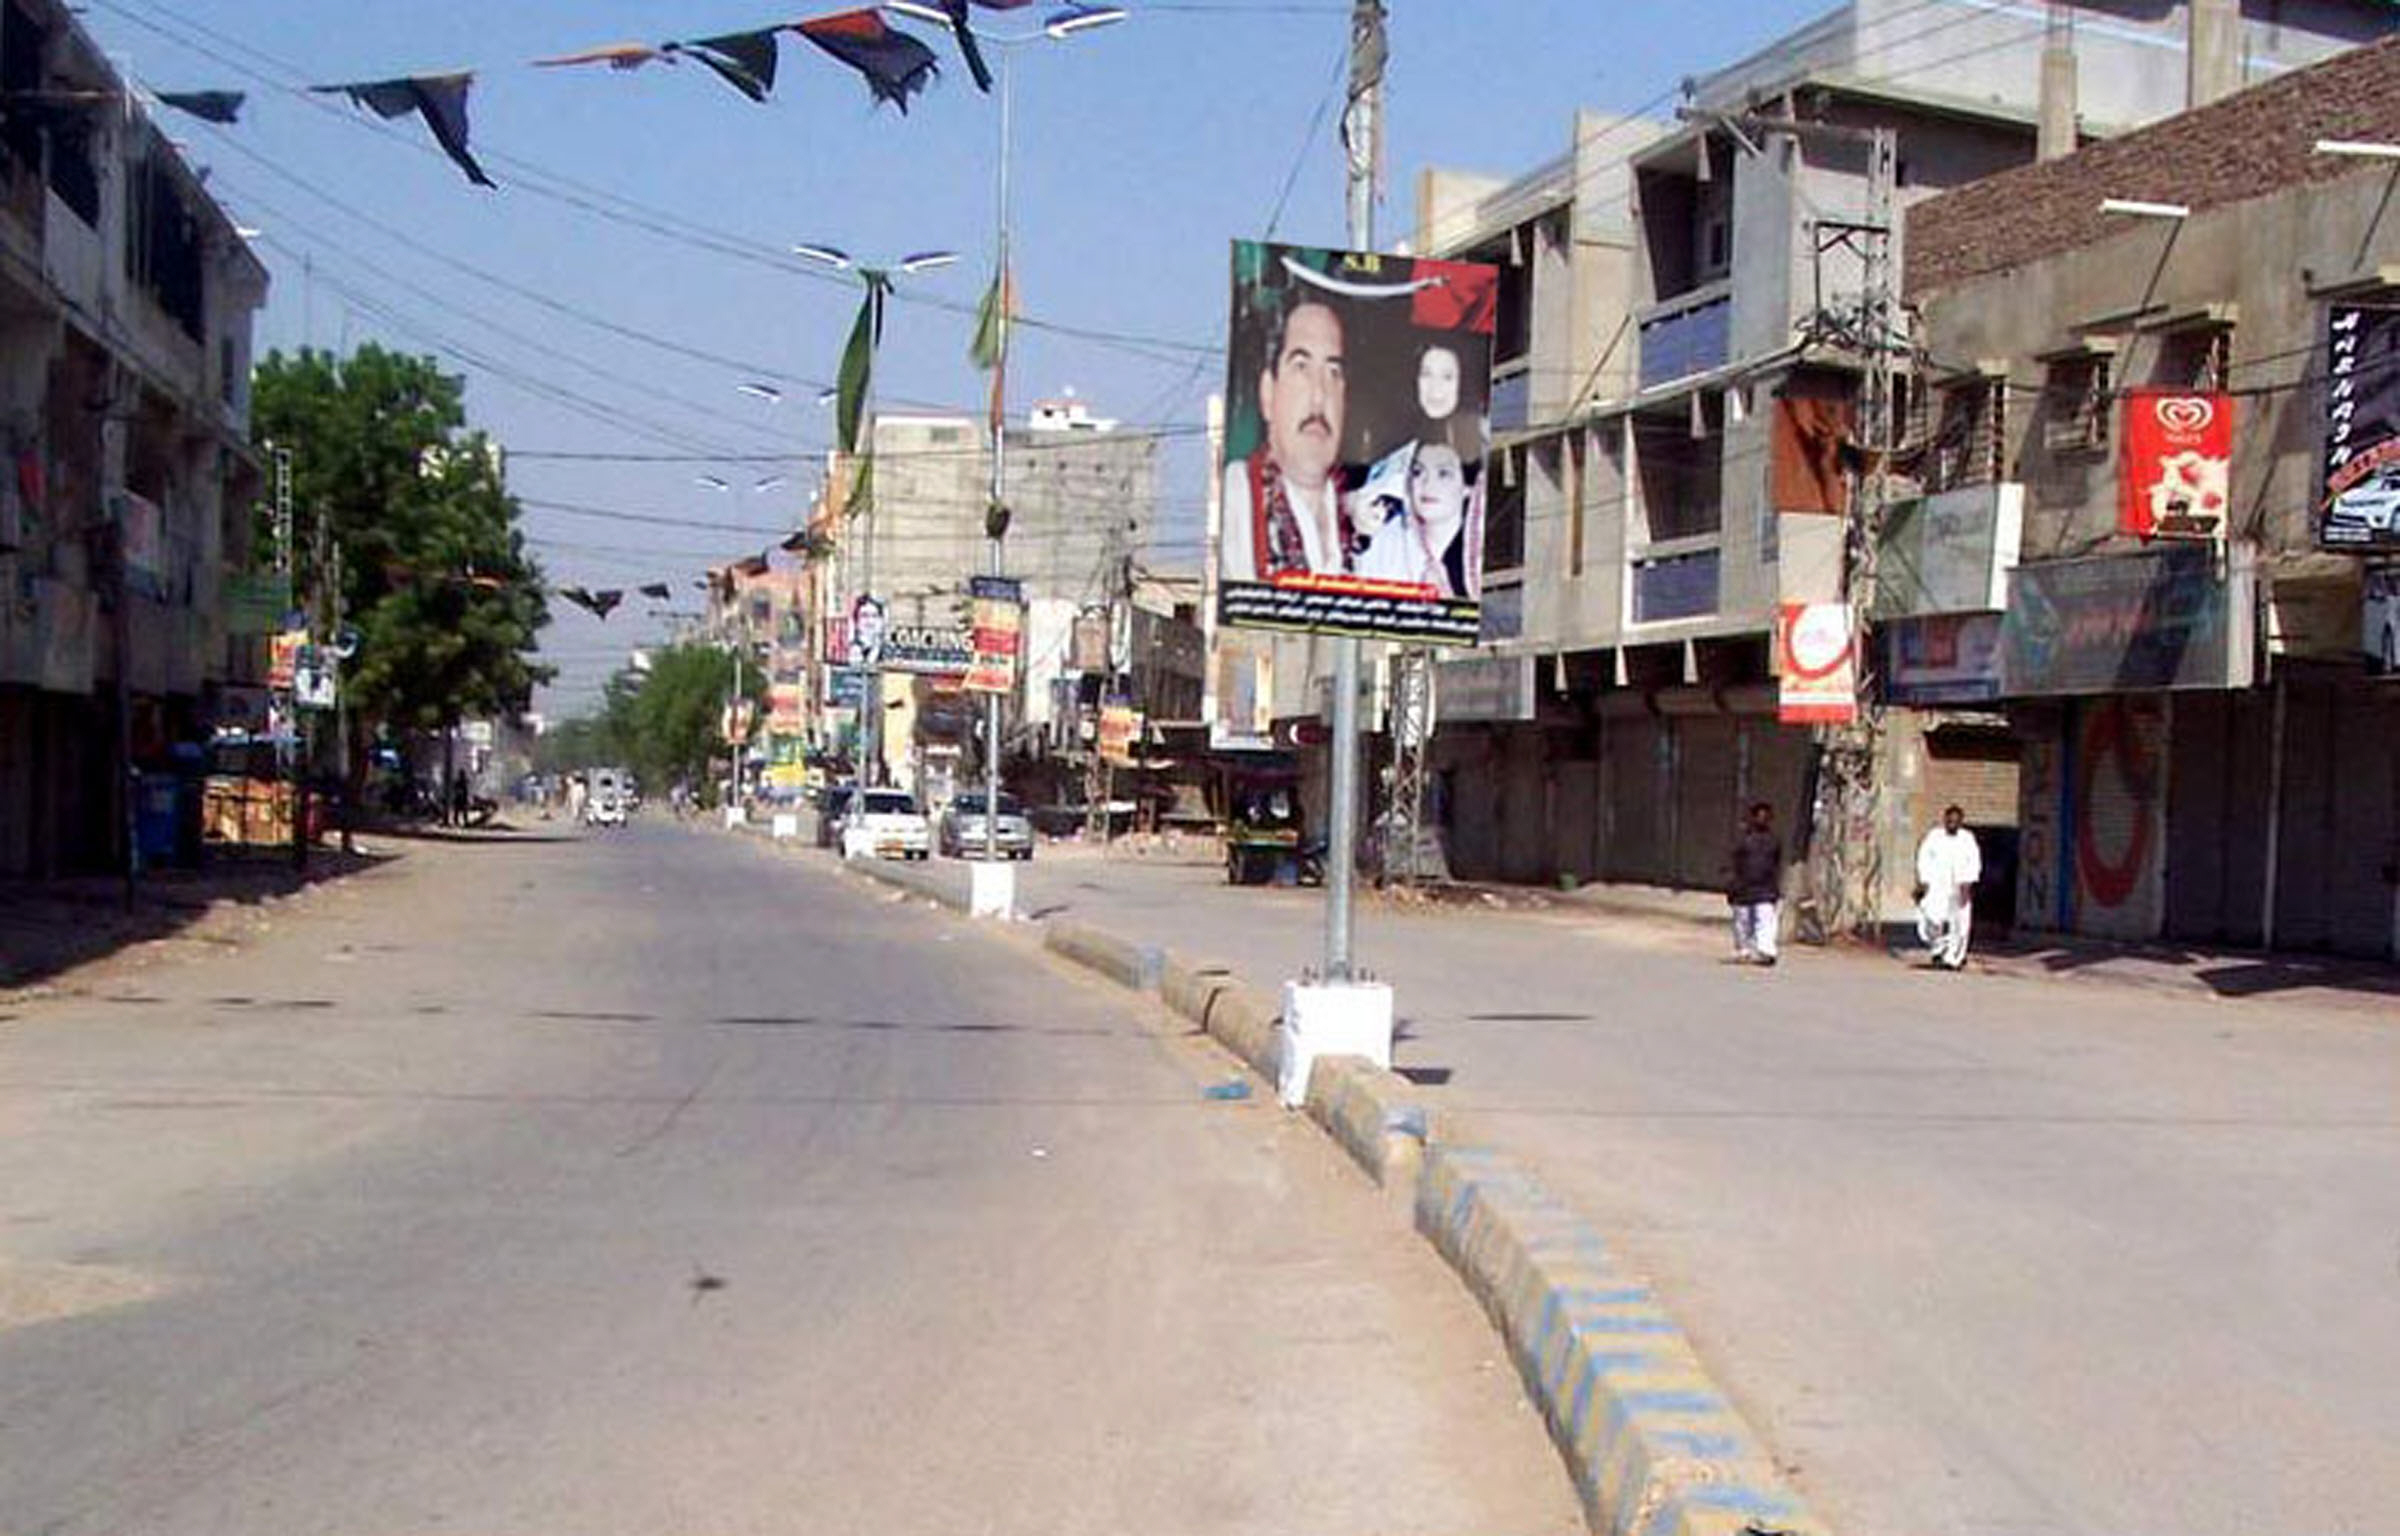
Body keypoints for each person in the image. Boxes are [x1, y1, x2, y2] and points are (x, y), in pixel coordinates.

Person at [1221, 297, 1354, 580]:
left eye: (1333, 372)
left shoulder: (1372, 509)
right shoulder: (1238, 497)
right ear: (1268, 392)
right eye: (1301, 367)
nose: (1319, 396)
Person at [1353, 417, 1479, 598]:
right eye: (1418, 472)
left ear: (1467, 487)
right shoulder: (1384, 544)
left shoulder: (1472, 559)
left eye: (1443, 474)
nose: (1428, 484)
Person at [1914, 804, 1983, 970]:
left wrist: (1968, 882)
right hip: (1937, 885)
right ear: (1945, 820)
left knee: (1959, 923)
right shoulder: (1934, 837)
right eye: (1949, 820)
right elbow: (1923, 858)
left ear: (1961, 822)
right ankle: (1938, 949)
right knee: (1931, 918)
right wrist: (1923, 880)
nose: (1952, 823)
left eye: (1956, 821)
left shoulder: (1967, 839)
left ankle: (1954, 958)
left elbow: (1974, 861)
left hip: (1959, 886)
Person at [1725, 801, 1783, 966]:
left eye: (1765, 816)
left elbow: (1776, 864)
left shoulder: (1774, 840)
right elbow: (1733, 862)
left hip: (1765, 888)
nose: (1762, 819)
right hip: (1743, 887)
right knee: (1742, 921)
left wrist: (1775, 887)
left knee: (1764, 920)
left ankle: (1766, 951)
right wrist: (1732, 884)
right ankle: (1743, 950)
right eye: (1758, 815)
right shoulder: (1743, 840)